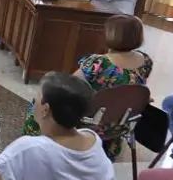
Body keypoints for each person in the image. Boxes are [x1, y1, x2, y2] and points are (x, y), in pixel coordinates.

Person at [21, 14, 151, 161]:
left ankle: (30, 148)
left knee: (39, 103)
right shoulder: (145, 61)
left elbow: (68, 86)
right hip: (119, 123)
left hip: (90, 122)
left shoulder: (98, 63)